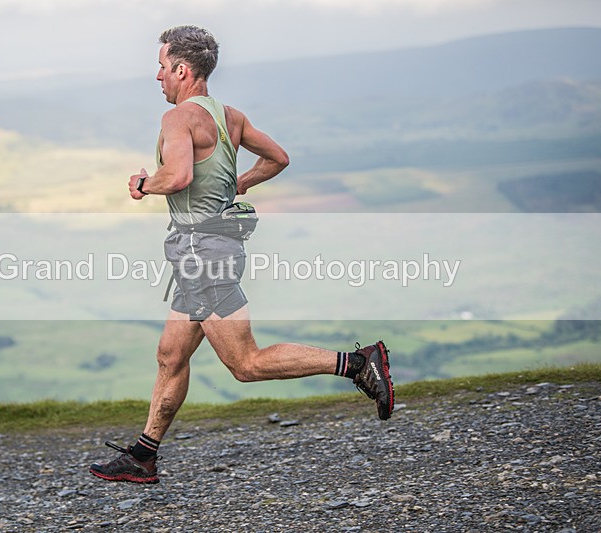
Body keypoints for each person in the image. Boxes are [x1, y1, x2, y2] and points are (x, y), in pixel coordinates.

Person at [89, 25, 394, 484]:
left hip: (203, 251)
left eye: (161, 66)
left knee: (245, 363)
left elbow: (176, 177)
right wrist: (241, 182)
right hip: (211, 246)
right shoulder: (229, 116)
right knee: (171, 355)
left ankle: (357, 364)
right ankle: (143, 455)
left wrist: (142, 185)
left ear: (182, 69)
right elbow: (278, 158)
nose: (157, 76)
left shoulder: (179, 119)